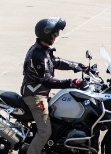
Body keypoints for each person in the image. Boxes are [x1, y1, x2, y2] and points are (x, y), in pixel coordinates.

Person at [21, 17, 87, 154]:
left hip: (40, 93)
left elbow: (56, 62)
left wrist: (78, 66)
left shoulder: (43, 49)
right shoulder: (38, 55)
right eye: (54, 34)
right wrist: (71, 82)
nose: (56, 36)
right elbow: (47, 80)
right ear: (46, 33)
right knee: (45, 132)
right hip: (35, 96)